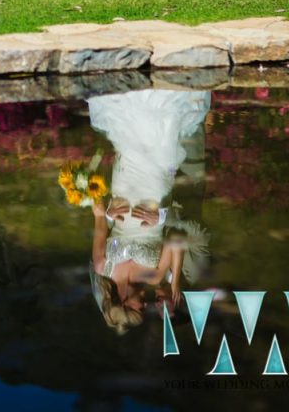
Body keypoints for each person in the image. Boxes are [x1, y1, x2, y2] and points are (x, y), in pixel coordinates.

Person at [88, 88, 211, 334]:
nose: (144, 305)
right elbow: (175, 239)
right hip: (155, 195)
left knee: (128, 141)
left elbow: (99, 218)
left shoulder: (103, 267)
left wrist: (110, 213)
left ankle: (131, 89)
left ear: (123, 302)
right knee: (163, 137)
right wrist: (174, 281)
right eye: (143, 309)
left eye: (139, 308)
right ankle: (168, 87)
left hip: (124, 190)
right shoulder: (154, 278)